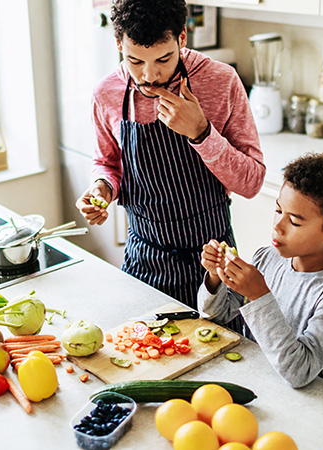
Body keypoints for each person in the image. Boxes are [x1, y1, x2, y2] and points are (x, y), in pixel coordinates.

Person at [75, 0, 265, 326]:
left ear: (182, 38)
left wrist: (202, 132)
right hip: (144, 262)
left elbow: (252, 183)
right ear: (118, 44)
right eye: (134, 60)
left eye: (163, 59)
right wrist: (102, 189)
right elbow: (107, 163)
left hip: (214, 266)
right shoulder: (106, 93)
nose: (150, 75)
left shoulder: (221, 81)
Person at [197, 153, 323, 390]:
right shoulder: (267, 258)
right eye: (279, 211)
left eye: (295, 222)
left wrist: (260, 295)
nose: (277, 227)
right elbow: (216, 317)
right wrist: (215, 278)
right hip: (263, 387)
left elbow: (299, 372)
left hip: (317, 407)